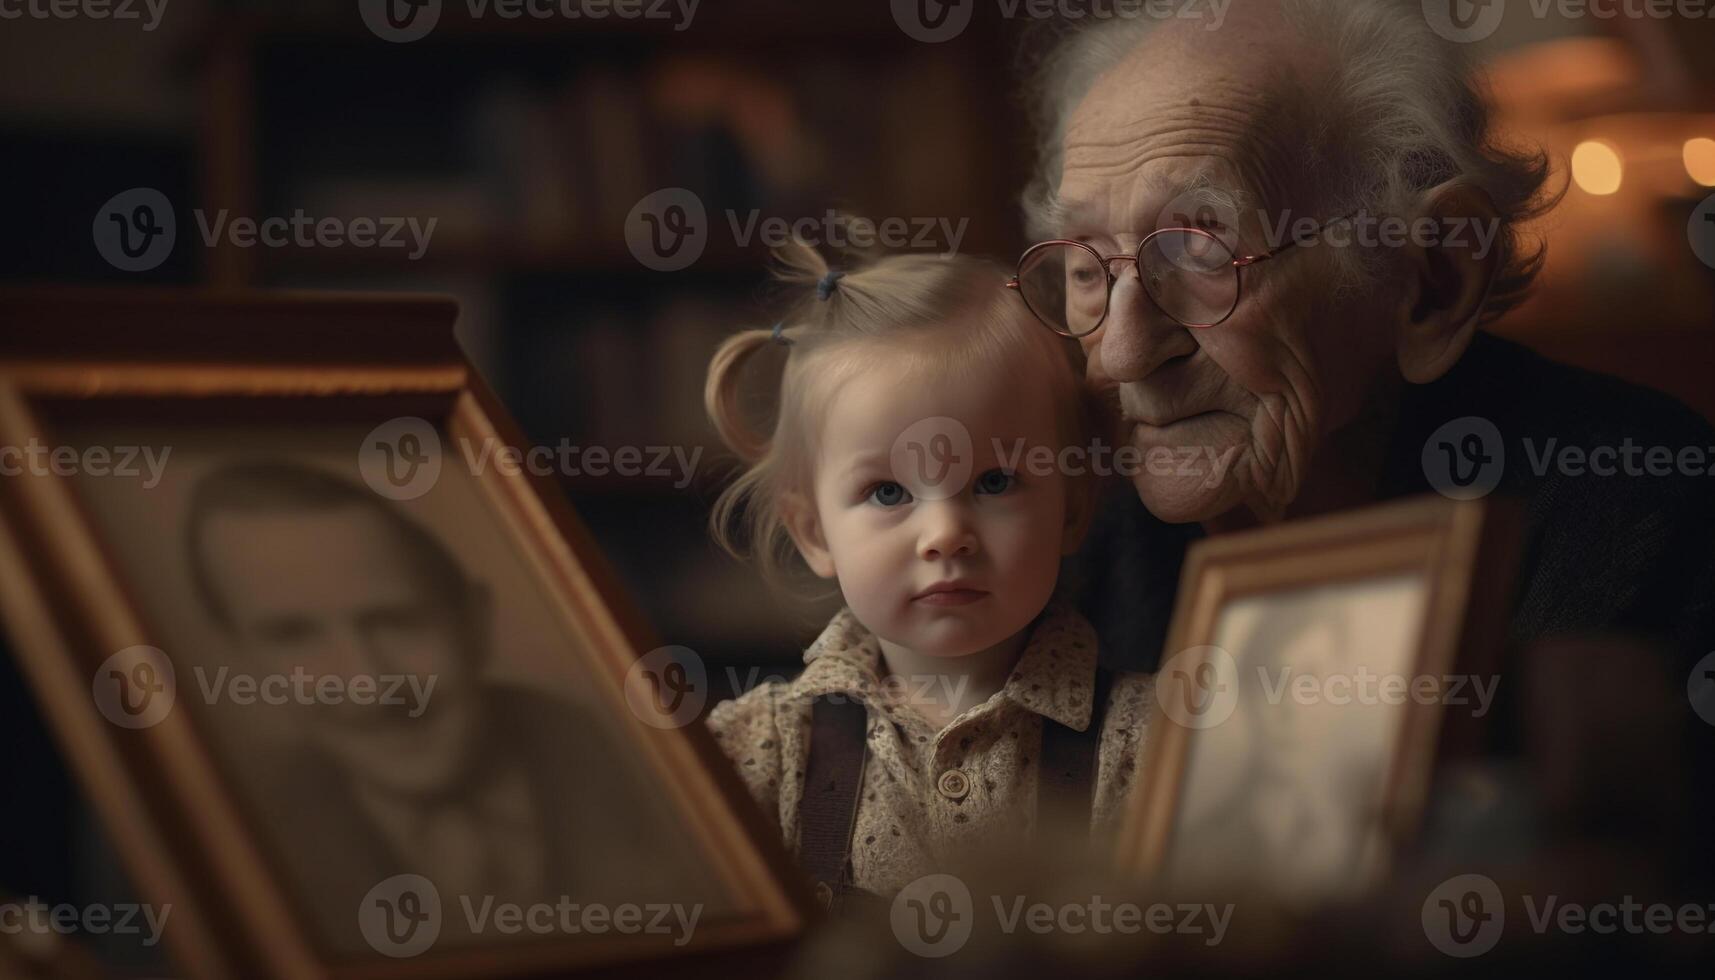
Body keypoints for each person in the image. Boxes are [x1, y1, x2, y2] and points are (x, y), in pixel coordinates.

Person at [1013, 0, 1715, 735]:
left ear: (1430, 280)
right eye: (1086, 265)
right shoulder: (1060, 552)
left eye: (1200, 245)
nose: (1122, 354)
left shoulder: (1640, 518)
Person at [700, 237, 1156, 905]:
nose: (945, 535)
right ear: (814, 531)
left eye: (995, 481)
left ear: (1072, 507)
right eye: (888, 493)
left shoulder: (1152, 745)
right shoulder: (756, 756)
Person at [184, 461, 700, 951]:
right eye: (292, 636)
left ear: (474, 622)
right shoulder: (224, 839)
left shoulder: (643, 763)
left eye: (398, 620)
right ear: (241, 656)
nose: (367, 682)